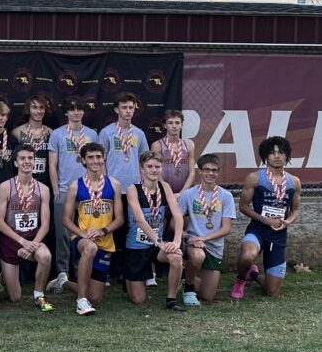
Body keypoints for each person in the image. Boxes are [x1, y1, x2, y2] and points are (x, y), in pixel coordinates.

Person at [53, 142, 122, 316]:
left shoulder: (113, 183)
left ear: (104, 158)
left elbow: (120, 218)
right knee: (90, 247)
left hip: (104, 240)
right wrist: (83, 235)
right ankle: (81, 301)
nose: (95, 160)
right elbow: (65, 219)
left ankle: (63, 283)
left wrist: (103, 230)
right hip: (82, 240)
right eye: (90, 157)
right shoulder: (75, 186)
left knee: (96, 297)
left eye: (98, 156)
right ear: (83, 160)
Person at [232, 136, 301, 299]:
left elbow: (295, 210)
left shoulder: (295, 182)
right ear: (265, 156)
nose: (277, 156)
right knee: (248, 256)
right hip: (257, 230)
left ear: (287, 155)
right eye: (272, 153)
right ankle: (240, 280)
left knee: (272, 292)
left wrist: (287, 222)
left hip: (278, 235)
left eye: (281, 152)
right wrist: (264, 219)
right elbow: (243, 207)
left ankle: (253, 275)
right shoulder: (254, 178)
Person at [47, 95, 98, 292]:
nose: (76, 113)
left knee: (84, 234)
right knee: (63, 235)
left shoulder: (93, 134)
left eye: (79, 109)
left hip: (87, 193)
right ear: (66, 112)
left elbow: (98, 164)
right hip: (64, 191)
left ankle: (81, 273)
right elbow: (52, 164)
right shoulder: (58, 134)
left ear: (84, 112)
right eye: (72, 109)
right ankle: (62, 273)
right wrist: (55, 191)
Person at [124, 151, 186, 312]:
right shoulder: (133, 189)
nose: (154, 170)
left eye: (157, 167)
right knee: (139, 300)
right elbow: (139, 219)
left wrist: (176, 242)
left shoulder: (165, 187)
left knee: (176, 257)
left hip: (157, 247)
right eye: (149, 166)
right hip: (136, 247)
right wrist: (159, 242)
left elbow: (178, 216)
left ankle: (171, 299)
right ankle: (128, 280)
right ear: (142, 169)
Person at [0, 144, 54, 311]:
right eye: (22, 158)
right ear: (15, 163)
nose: (27, 161)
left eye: (30, 158)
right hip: (11, 241)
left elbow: (46, 224)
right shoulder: (6, 187)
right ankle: (4, 278)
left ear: (35, 161)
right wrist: (22, 242)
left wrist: (32, 244)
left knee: (45, 256)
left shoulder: (44, 189)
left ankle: (38, 294)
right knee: (15, 298)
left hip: (33, 239)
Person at [98, 92, 149, 283]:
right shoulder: (107, 132)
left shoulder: (139, 134)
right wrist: (105, 184)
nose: (128, 111)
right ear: (116, 109)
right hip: (113, 189)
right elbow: (100, 160)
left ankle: (130, 271)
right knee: (112, 231)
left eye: (131, 108)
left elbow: (145, 160)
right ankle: (110, 271)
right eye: (124, 107)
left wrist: (144, 185)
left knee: (133, 230)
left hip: (134, 190)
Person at [179, 154, 235, 306]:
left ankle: (184, 276)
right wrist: (187, 238)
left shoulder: (226, 196)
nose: (211, 173)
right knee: (197, 256)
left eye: (214, 170)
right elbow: (174, 223)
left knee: (207, 296)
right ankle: (189, 289)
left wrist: (204, 239)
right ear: (200, 172)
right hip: (193, 242)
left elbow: (226, 228)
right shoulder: (189, 194)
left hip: (213, 245)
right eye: (207, 170)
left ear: (218, 172)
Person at [151, 110, 195, 198]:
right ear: (165, 125)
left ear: (182, 125)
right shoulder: (157, 146)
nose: (174, 126)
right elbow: (154, 172)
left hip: (184, 193)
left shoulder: (189, 145)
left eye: (177, 123)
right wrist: (168, 192)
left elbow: (192, 173)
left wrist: (182, 193)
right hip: (163, 192)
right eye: (170, 123)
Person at [12, 95, 53, 187]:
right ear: (28, 110)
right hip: (22, 183)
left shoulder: (51, 132)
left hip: (45, 183)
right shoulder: (17, 132)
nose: (38, 111)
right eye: (34, 107)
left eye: (41, 108)